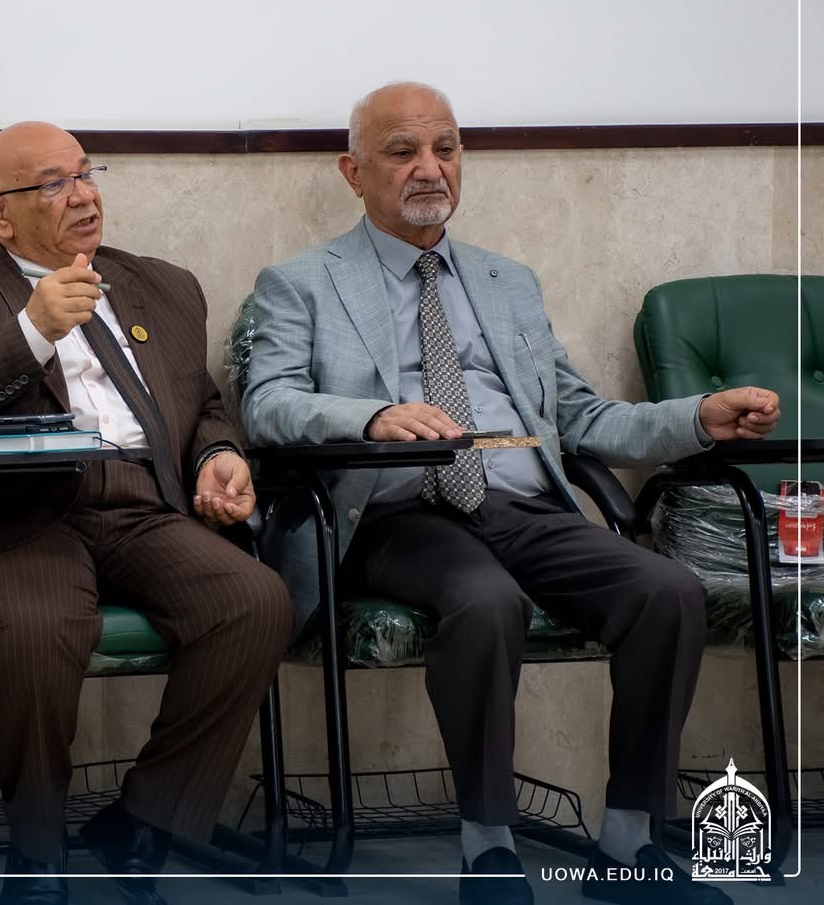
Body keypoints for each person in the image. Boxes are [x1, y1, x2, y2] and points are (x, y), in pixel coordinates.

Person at [242, 82, 779, 905]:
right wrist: (371, 416)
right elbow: (267, 403)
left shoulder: (506, 281)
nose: (430, 168)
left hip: (520, 504)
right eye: (402, 152)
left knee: (667, 591)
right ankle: (488, 847)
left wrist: (696, 418)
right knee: (486, 601)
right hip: (394, 514)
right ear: (354, 172)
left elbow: (580, 416)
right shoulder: (302, 282)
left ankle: (627, 843)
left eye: (446, 149)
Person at [0, 121, 292, 905]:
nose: (83, 196)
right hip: (17, 513)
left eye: (85, 174)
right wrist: (33, 330)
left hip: (143, 504)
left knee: (254, 602)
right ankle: (38, 855)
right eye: (53, 184)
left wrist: (217, 454)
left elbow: (201, 404)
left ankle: (143, 822)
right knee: (37, 629)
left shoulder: (163, 284)